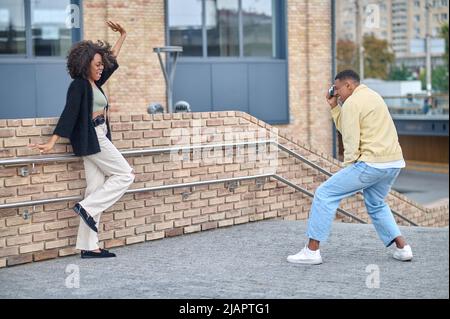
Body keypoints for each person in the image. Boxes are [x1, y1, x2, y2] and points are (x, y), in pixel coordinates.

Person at [30, 21, 134, 259]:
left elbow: (112, 60)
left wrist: (123, 35)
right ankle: (86, 208)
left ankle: (89, 246)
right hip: (93, 138)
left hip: (97, 137)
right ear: (85, 64)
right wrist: (52, 141)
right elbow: (70, 113)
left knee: (95, 188)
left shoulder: (94, 83)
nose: (101, 68)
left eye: (102, 65)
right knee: (125, 175)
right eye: (97, 64)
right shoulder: (78, 86)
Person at [287, 70, 413, 265]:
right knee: (376, 203)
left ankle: (312, 251)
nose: (336, 93)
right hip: (393, 162)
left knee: (325, 193)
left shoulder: (353, 103)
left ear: (349, 85)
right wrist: (334, 107)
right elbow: (348, 126)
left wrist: (348, 168)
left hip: (372, 163)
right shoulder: (373, 95)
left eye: (337, 89)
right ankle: (403, 248)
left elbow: (350, 140)